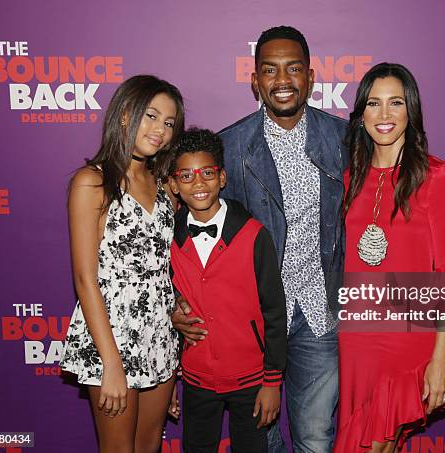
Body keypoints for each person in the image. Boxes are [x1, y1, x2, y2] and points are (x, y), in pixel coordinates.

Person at [171, 26, 348, 453]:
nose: (282, 81)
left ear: (310, 76)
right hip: (249, 323)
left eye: (293, 69)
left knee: (315, 436)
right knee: (259, 442)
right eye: (269, 70)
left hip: (318, 314)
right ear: (255, 80)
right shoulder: (228, 147)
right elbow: (188, 236)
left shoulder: (345, 139)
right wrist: (176, 305)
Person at [334, 63, 445, 453]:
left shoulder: (438, 177)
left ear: (410, 111)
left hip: (408, 337)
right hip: (356, 338)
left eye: (395, 103)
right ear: (361, 114)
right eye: (374, 104)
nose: (384, 115)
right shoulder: (349, 178)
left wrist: (441, 357)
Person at [60, 75, 184, 453]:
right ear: (126, 115)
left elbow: (165, 268)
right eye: (151, 115)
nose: (159, 130)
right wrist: (111, 364)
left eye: (168, 123)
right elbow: (85, 280)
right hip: (110, 336)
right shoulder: (91, 183)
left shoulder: (165, 187)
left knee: (149, 447)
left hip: (160, 335)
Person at [168, 128, 287, 453]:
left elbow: (275, 312)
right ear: (175, 184)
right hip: (196, 379)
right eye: (187, 176)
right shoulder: (169, 238)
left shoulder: (253, 236)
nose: (198, 183)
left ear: (222, 178)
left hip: (250, 378)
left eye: (207, 172)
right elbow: (162, 295)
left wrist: (273, 381)